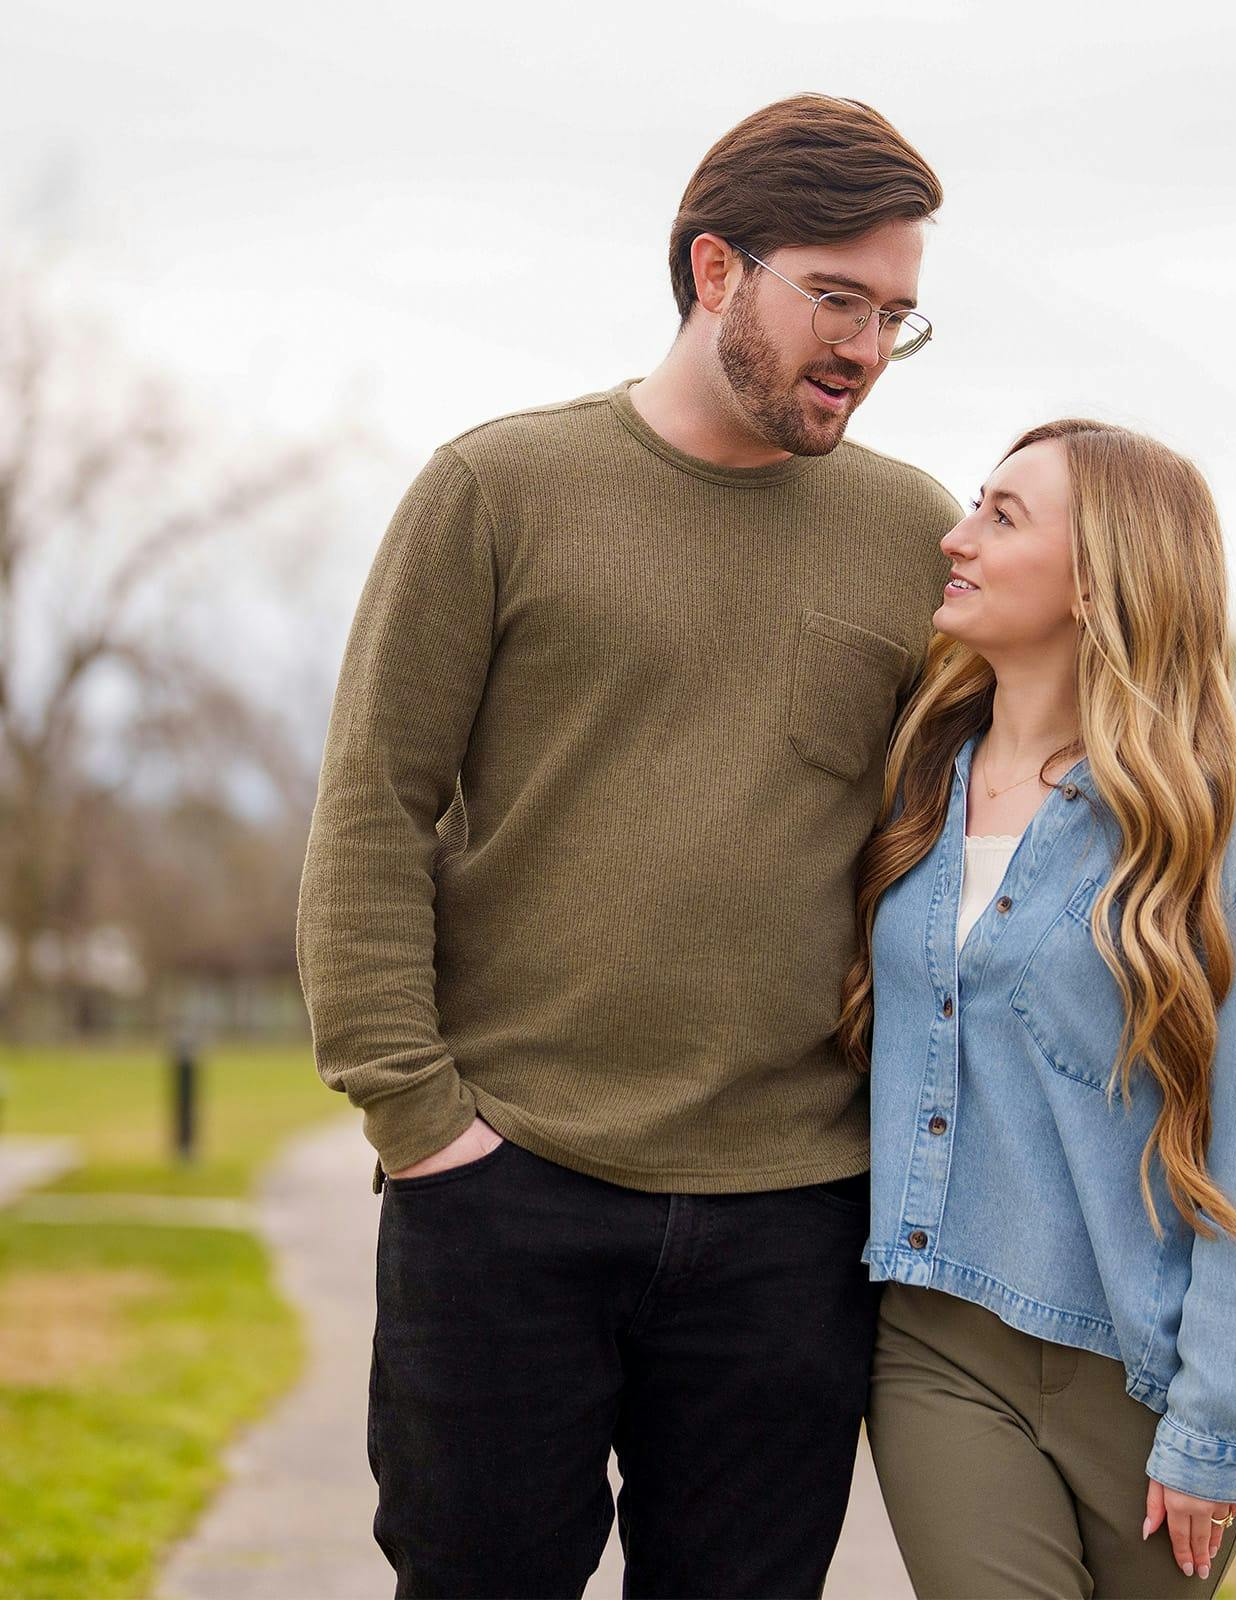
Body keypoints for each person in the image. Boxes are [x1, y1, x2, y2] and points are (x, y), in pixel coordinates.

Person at [294, 94, 959, 1599]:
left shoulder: (914, 533)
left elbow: (976, 825)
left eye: (897, 318)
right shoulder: (496, 491)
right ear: (715, 270)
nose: (862, 347)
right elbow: (370, 810)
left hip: (791, 1215)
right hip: (506, 1187)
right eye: (836, 299)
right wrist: (422, 1122)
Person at [837, 419, 1236, 1598]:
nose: (953, 535)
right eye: (975, 504)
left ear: (1096, 579)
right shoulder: (916, 781)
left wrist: (1218, 1416)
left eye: (1001, 516)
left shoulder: (1198, 824)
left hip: (1148, 1374)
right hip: (937, 1344)